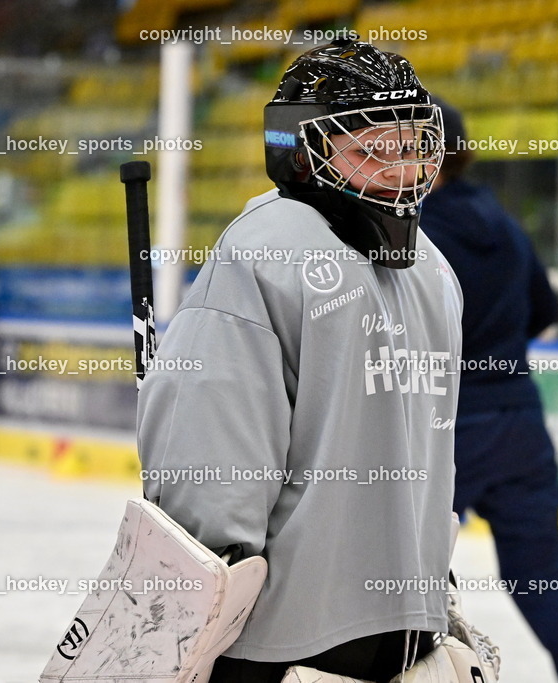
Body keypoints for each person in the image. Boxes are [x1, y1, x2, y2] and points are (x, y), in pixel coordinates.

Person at [136, 39, 463, 683]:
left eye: (413, 146)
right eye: (373, 146)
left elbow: (210, 470)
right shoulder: (434, 267)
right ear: (301, 148)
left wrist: (186, 594)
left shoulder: (262, 253)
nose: (399, 170)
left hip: (278, 638)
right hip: (402, 630)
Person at [419, 100, 558, 683]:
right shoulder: (506, 228)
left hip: (443, 426)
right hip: (516, 417)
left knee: (406, 576)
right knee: (541, 576)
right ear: (467, 155)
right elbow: (546, 308)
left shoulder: (411, 234)